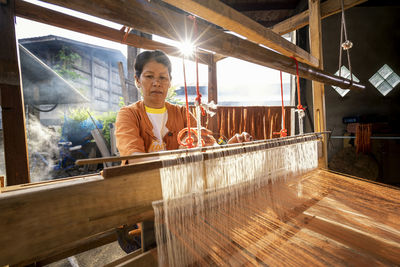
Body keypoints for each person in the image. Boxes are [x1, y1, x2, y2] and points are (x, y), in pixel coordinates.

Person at [115, 50, 251, 163]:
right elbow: (134, 159)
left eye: (163, 78)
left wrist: (228, 148)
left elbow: (208, 146)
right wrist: (180, 154)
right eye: (149, 76)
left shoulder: (181, 113)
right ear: (138, 80)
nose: (157, 83)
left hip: (181, 185)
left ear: (169, 82)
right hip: (145, 188)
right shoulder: (128, 114)